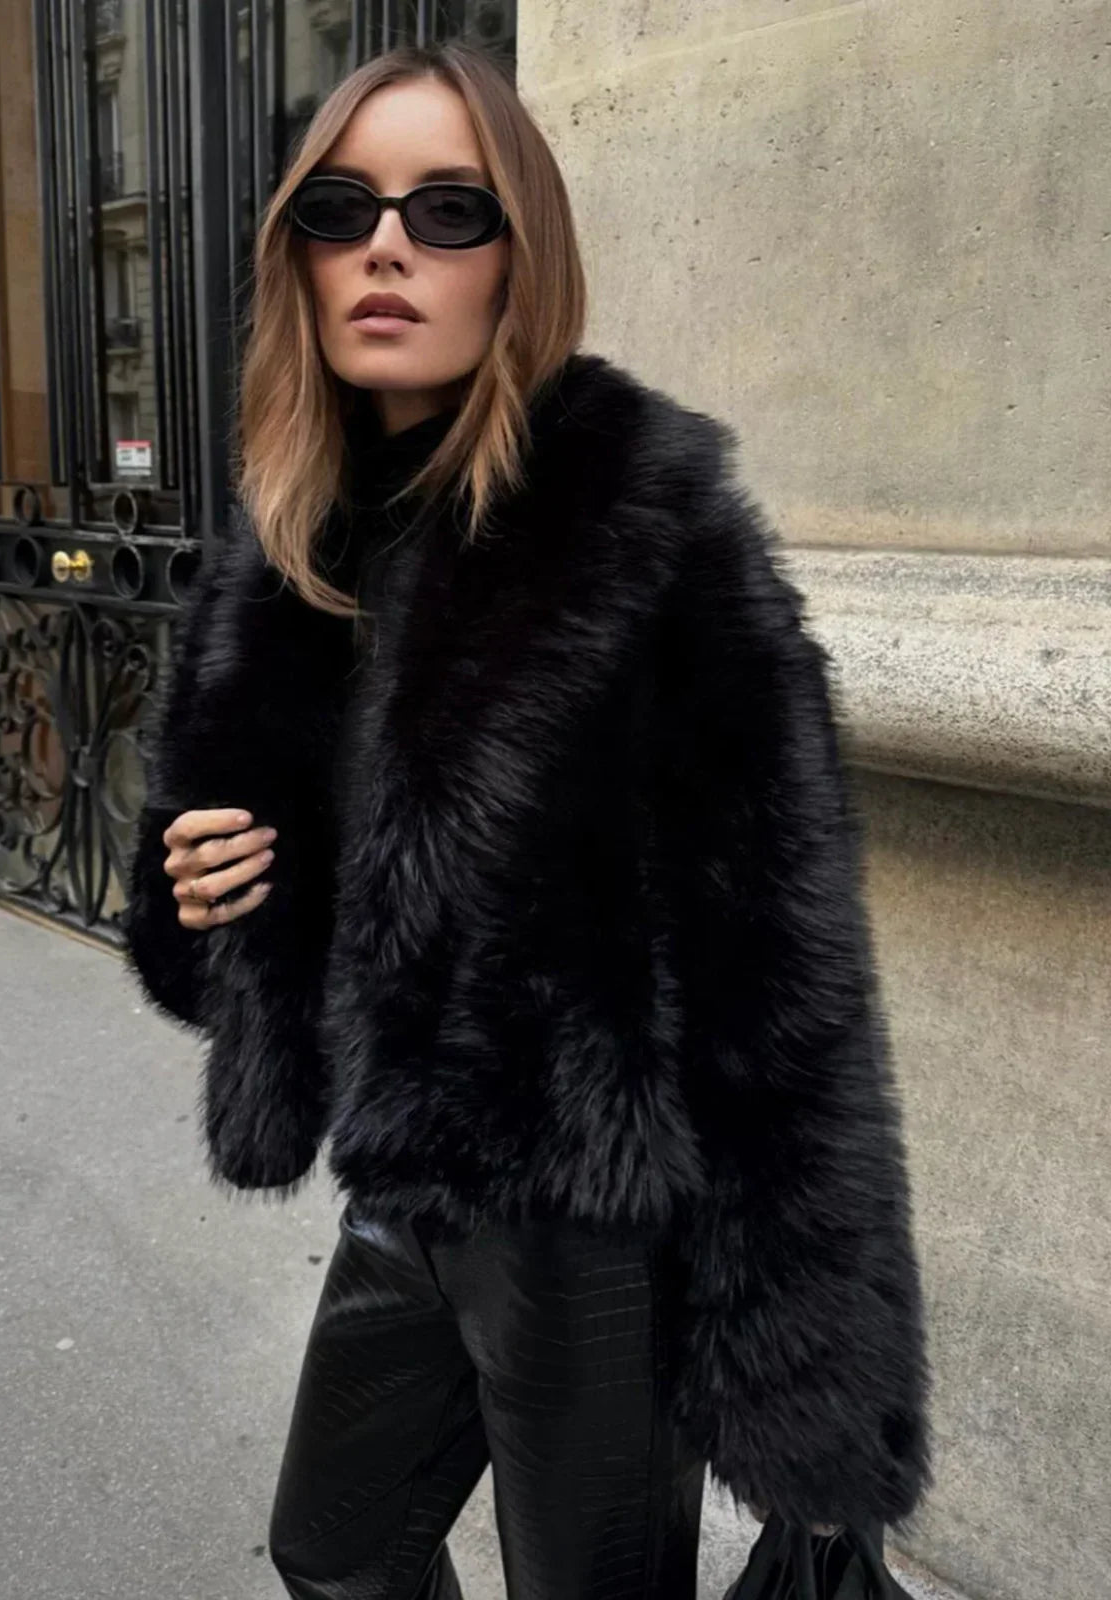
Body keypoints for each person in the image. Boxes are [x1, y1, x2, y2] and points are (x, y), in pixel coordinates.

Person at [122, 40, 932, 1600]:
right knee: (333, 1550)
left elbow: (788, 978)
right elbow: (215, 936)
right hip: (401, 1197)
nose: (385, 246)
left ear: (521, 260)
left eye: (448, 210)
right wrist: (200, 903)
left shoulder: (648, 526)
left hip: (595, 1232)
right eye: (342, 206)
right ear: (298, 252)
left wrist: (815, 1370)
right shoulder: (286, 547)